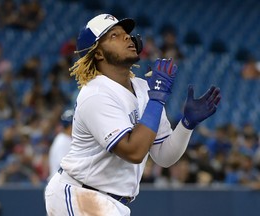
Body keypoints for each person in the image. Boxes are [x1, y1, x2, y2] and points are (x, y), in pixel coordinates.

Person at [45, 13, 221, 216]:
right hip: (80, 194)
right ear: (99, 54)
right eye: (114, 36)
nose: (127, 37)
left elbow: (164, 156)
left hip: (108, 201)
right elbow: (134, 152)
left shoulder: (145, 89)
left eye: (126, 33)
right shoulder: (95, 93)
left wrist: (186, 125)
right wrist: (157, 99)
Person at [48, 109, 73, 180]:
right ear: (70, 126)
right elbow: (63, 166)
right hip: (59, 184)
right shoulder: (62, 141)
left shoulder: (65, 138)